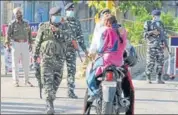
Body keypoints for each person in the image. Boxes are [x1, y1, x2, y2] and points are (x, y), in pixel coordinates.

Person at [33, 7, 67, 114]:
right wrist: (35, 56)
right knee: (48, 82)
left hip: (59, 59)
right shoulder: (43, 27)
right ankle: (49, 105)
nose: (57, 17)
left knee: (56, 81)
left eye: (59, 15)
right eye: (55, 15)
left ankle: (51, 97)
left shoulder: (64, 27)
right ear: (51, 16)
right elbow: (37, 42)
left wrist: (59, 31)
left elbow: (69, 39)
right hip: (46, 60)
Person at [63, 2, 88, 98]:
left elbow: (80, 37)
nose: (71, 11)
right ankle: (52, 91)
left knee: (71, 71)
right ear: (66, 11)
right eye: (69, 10)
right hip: (60, 50)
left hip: (72, 50)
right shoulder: (61, 21)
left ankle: (70, 91)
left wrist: (85, 50)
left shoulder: (76, 22)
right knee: (57, 71)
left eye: (72, 10)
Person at [5, 7, 33, 87]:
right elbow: (8, 34)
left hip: (25, 44)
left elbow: (29, 34)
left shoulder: (26, 23)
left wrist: (30, 43)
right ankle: (16, 81)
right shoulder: (12, 24)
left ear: (22, 13)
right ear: (14, 14)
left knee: (26, 64)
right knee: (15, 64)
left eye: (20, 12)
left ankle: (27, 81)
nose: (19, 14)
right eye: (17, 13)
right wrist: (7, 44)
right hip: (15, 44)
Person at [144, 10, 165, 84]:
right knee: (150, 62)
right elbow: (145, 34)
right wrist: (152, 32)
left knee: (160, 63)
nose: (158, 17)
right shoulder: (148, 23)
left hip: (160, 46)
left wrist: (164, 43)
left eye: (159, 16)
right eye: (156, 16)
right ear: (153, 16)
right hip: (151, 46)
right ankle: (148, 77)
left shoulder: (161, 23)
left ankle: (158, 78)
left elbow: (163, 35)